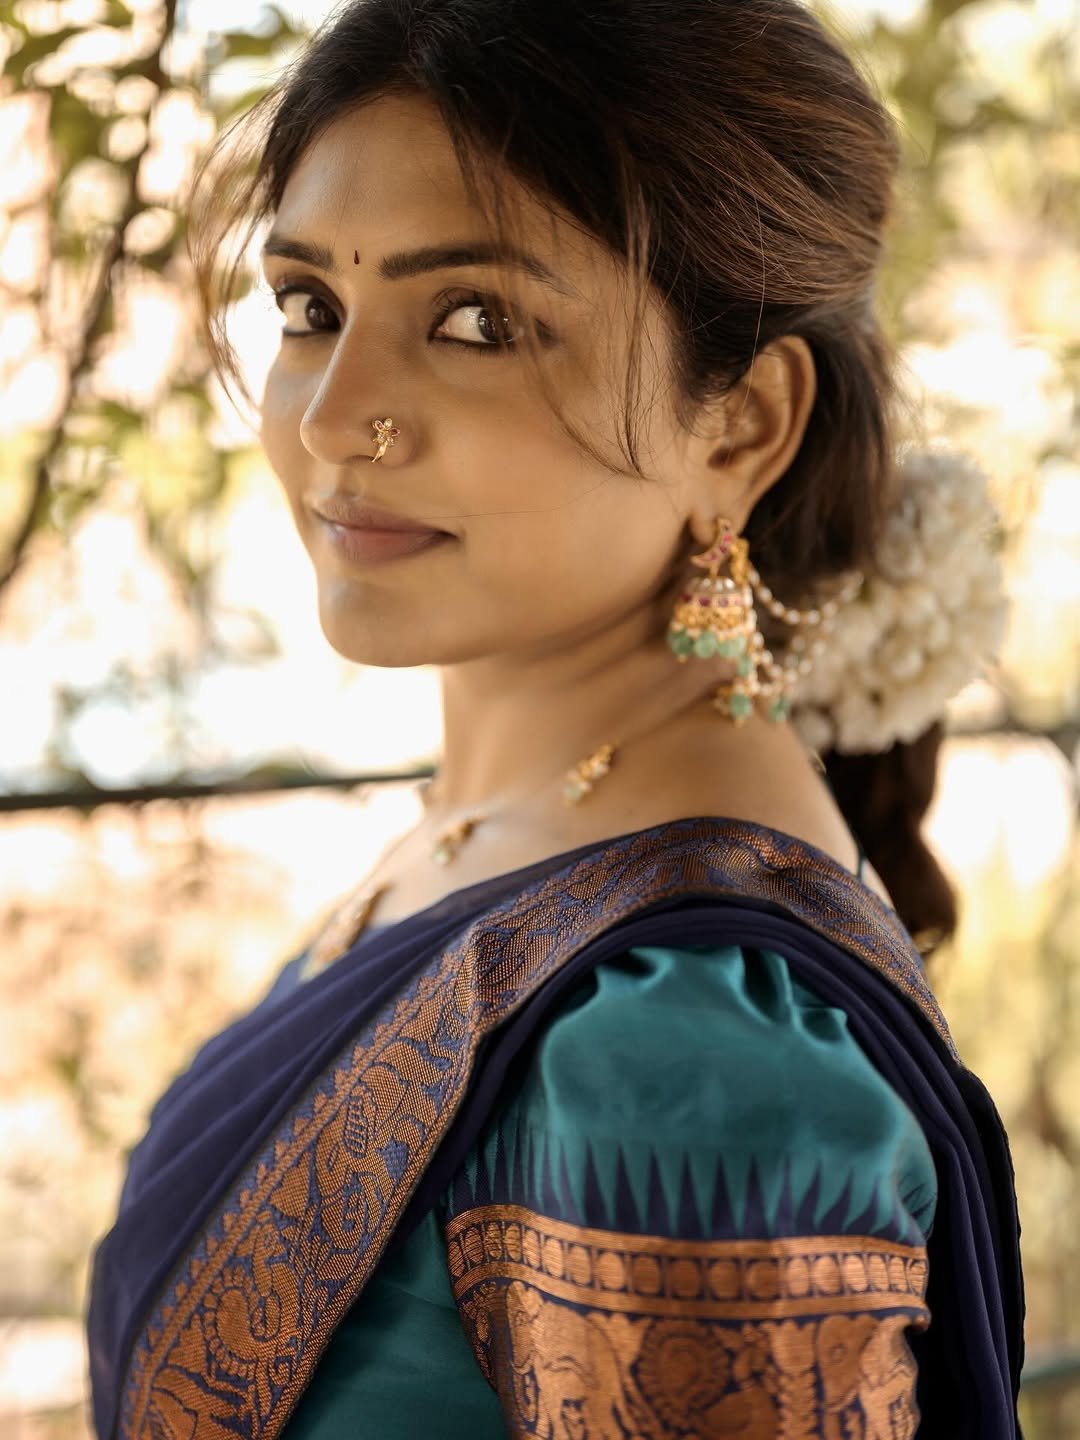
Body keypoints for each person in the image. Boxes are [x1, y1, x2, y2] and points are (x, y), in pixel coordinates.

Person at [85, 0, 1025, 1435]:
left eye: (473, 322)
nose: (339, 417)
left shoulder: (686, 1058)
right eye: (308, 308)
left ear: (741, 426)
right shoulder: (503, 833)